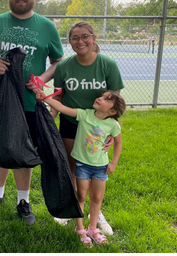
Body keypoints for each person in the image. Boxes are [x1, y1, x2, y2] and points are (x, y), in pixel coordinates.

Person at [0, 0, 64, 225]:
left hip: (28, 101)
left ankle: (23, 201)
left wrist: (41, 79)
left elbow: (58, 61)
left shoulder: (46, 26)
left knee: (25, 150)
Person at [50, 21, 124, 234]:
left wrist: (113, 129)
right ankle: (72, 209)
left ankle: (95, 212)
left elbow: (115, 100)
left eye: (85, 36)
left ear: (93, 38)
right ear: (70, 41)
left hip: (98, 129)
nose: (80, 41)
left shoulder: (107, 64)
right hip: (72, 123)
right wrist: (50, 120)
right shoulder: (64, 66)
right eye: (75, 38)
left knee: (95, 169)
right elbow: (58, 96)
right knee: (73, 168)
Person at [37, 89, 125, 246]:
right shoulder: (85, 114)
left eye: (105, 99)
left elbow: (118, 143)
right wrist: (45, 98)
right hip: (82, 165)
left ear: (112, 111)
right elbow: (64, 109)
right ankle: (80, 229)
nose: (99, 98)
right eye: (102, 96)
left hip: (100, 167)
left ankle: (93, 229)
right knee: (81, 196)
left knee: (97, 198)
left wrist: (113, 163)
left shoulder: (113, 125)